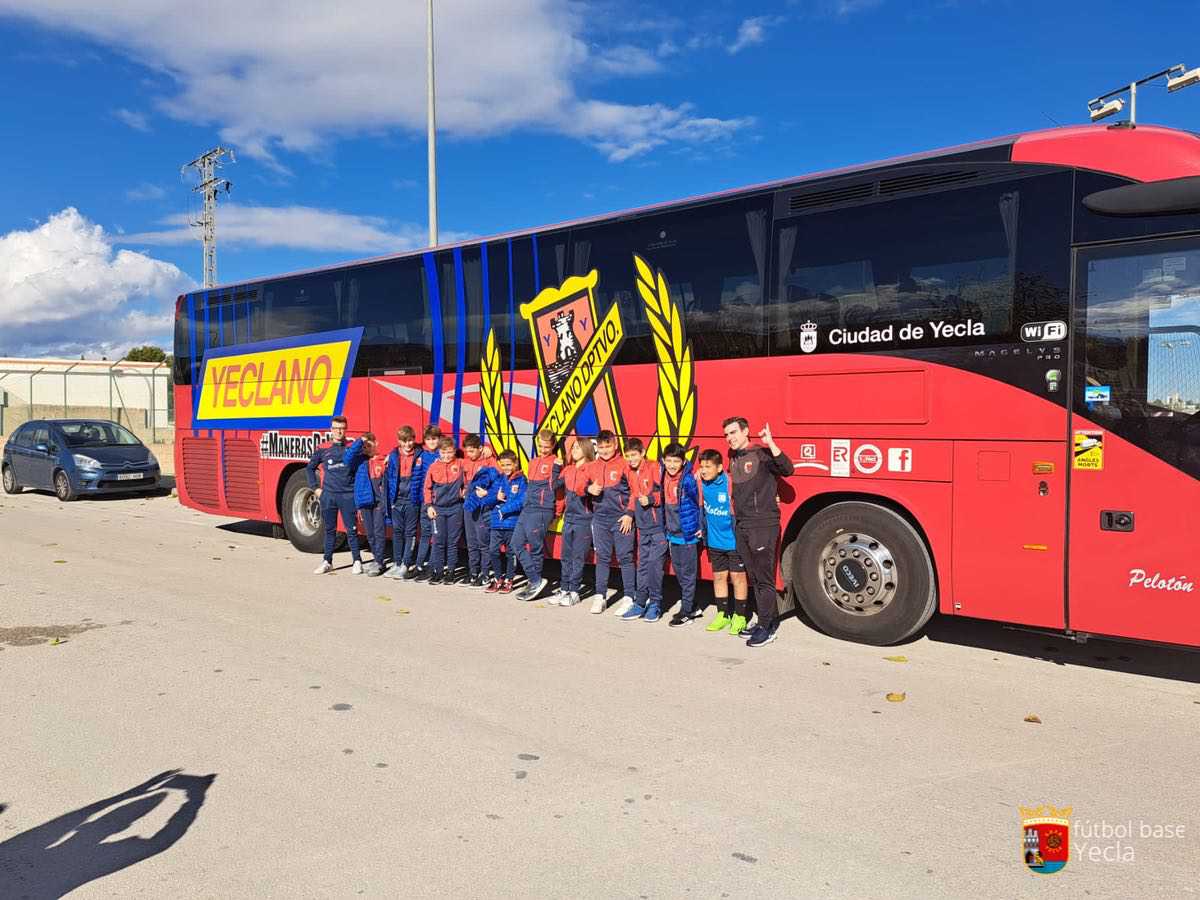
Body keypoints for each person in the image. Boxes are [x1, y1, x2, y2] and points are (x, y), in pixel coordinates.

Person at [723, 417, 794, 647]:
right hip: (743, 524)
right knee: (754, 577)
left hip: (763, 524)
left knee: (764, 578)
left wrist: (771, 442)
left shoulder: (762, 454)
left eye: (733, 432)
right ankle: (767, 619)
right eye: (726, 434)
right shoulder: (734, 457)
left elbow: (787, 469)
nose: (730, 438)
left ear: (746, 432)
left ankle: (766, 627)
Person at [696, 448, 751, 635]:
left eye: (708, 466)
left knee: (738, 578)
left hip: (734, 542)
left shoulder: (730, 483)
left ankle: (740, 616)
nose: (703, 470)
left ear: (719, 468)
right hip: (714, 542)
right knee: (719, 577)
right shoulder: (701, 483)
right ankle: (722, 615)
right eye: (701, 466)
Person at [306, 415, 364, 575]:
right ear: (331, 430)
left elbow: (366, 463)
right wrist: (315, 488)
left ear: (346, 430)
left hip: (347, 495)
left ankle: (357, 561)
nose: (339, 431)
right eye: (336, 428)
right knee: (329, 530)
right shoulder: (323, 448)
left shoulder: (352, 447)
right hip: (328, 496)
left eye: (342, 428)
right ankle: (327, 561)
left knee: (351, 530)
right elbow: (310, 468)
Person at [587, 430, 636, 615]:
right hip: (600, 519)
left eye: (608, 446)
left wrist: (630, 513)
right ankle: (600, 596)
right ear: (597, 448)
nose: (605, 450)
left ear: (615, 445)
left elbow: (635, 490)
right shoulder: (592, 466)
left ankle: (629, 597)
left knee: (625, 557)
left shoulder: (624, 464)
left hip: (621, 519)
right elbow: (579, 486)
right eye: (601, 447)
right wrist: (588, 488)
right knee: (603, 558)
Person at [620, 437, 666, 622]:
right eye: (628, 456)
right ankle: (640, 603)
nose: (630, 459)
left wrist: (653, 499)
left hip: (658, 528)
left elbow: (667, 491)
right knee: (642, 567)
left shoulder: (654, 467)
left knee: (655, 567)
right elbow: (634, 495)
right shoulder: (630, 472)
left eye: (634, 455)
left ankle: (655, 604)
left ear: (643, 453)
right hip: (643, 527)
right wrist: (630, 513)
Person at [514, 429, 562, 601]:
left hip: (542, 510)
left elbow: (558, 489)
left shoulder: (555, 462)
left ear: (553, 446)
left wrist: (556, 511)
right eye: (540, 446)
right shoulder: (533, 461)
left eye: (546, 447)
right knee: (516, 544)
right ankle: (535, 579)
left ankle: (534, 581)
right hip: (528, 508)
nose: (543, 450)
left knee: (535, 548)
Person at [661, 443, 703, 627]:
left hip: (687, 535)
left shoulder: (688, 481)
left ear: (683, 461)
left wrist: (699, 525)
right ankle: (692, 604)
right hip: (672, 534)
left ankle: (687, 611)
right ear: (663, 461)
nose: (671, 465)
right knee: (678, 571)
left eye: (675, 461)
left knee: (687, 574)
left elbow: (699, 503)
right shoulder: (663, 476)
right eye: (668, 460)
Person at [552, 436, 595, 607]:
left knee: (578, 557)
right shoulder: (568, 469)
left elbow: (596, 490)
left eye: (577, 447)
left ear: (586, 449)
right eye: (573, 448)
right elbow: (554, 485)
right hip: (568, 518)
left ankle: (574, 591)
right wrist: (556, 467)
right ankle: (564, 589)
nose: (574, 450)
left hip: (584, 519)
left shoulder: (591, 468)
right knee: (566, 556)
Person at [344, 432, 388, 576]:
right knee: (370, 533)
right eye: (365, 447)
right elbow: (347, 458)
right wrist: (360, 441)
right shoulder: (359, 461)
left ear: (377, 443)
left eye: (370, 445)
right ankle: (377, 558)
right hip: (365, 501)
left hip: (379, 502)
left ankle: (380, 562)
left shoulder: (383, 460)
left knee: (379, 531)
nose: (367, 449)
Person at [423, 436, 465, 585]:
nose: (446, 456)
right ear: (439, 452)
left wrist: (487, 452)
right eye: (443, 452)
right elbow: (427, 488)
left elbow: (478, 466)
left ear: (454, 452)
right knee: (438, 542)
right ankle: (438, 571)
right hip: (438, 510)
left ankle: (451, 572)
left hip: (455, 509)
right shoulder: (434, 467)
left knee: (452, 543)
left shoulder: (460, 464)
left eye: (450, 452)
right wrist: (429, 506)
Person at [484, 450, 526, 594]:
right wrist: (496, 497)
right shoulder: (498, 479)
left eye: (509, 464)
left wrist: (505, 510)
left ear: (515, 464)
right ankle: (497, 578)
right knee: (493, 551)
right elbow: (487, 500)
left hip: (512, 524)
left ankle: (509, 580)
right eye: (503, 465)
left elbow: (522, 501)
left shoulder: (521, 480)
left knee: (510, 553)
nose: (506, 468)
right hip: (496, 524)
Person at [404, 425, 442, 581]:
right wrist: (416, 500)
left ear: (439, 439)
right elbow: (417, 479)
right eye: (428, 439)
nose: (432, 441)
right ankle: (419, 565)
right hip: (424, 502)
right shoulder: (422, 455)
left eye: (434, 438)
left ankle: (432, 566)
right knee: (425, 534)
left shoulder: (445, 454)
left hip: (438, 502)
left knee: (436, 535)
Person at [461, 433, 499, 587]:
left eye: (472, 451)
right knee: (471, 542)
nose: (469, 454)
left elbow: (499, 482)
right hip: (469, 506)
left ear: (481, 449)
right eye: (467, 451)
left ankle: (485, 574)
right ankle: (473, 573)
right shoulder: (464, 462)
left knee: (483, 542)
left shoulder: (490, 462)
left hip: (483, 507)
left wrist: (492, 452)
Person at [384, 425, 418, 579]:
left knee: (410, 533)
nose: (407, 444)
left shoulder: (420, 454)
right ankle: (397, 563)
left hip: (411, 500)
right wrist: (390, 500)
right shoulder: (393, 455)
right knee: (397, 532)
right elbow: (388, 479)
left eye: (410, 440)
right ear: (399, 441)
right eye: (404, 441)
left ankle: (405, 563)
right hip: (397, 500)